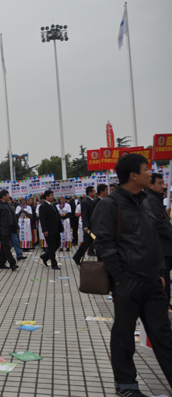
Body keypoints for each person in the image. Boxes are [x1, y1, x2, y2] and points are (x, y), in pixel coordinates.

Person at [92, 154, 172, 395]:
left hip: (153, 281)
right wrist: (120, 279)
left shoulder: (147, 201)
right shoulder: (110, 204)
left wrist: (160, 271)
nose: (151, 173)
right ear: (134, 175)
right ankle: (126, 384)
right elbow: (104, 245)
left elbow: (154, 239)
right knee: (124, 336)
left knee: (164, 335)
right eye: (146, 169)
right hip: (128, 282)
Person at [144, 173, 172, 310]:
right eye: (159, 183)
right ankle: (164, 307)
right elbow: (160, 225)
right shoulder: (151, 200)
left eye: (163, 183)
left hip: (164, 247)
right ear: (150, 184)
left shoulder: (155, 198)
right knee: (163, 280)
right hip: (162, 248)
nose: (163, 186)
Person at [0, 190, 19, 271]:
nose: (9, 196)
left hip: (10, 228)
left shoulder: (9, 205)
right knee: (7, 247)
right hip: (2, 229)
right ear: (3, 196)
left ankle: (1, 263)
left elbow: (13, 217)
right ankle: (12, 263)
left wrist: (16, 227)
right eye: (7, 195)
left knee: (4, 247)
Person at [73, 186, 97, 265]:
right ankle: (77, 257)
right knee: (86, 242)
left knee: (90, 241)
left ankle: (78, 256)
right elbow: (84, 215)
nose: (95, 192)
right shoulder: (85, 202)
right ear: (89, 193)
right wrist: (86, 226)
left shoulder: (93, 201)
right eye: (94, 191)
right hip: (88, 227)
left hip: (93, 226)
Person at [39, 190, 63, 270]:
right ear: (47, 197)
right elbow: (42, 220)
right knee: (52, 246)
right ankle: (54, 264)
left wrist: (61, 227)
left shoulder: (53, 205)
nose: (53, 196)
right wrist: (45, 230)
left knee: (57, 244)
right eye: (51, 195)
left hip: (56, 229)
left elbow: (57, 217)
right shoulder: (43, 206)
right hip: (49, 230)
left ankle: (45, 256)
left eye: (53, 195)